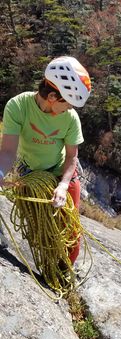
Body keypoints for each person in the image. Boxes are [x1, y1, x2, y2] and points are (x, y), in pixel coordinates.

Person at [0, 56, 91, 264]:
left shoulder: (70, 119)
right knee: (42, 231)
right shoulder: (18, 106)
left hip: (61, 172)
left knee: (71, 233)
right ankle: (47, 263)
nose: (70, 109)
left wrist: (63, 185)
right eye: (68, 104)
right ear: (52, 96)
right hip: (31, 174)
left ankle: (63, 271)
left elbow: (71, 156)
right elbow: (7, 152)